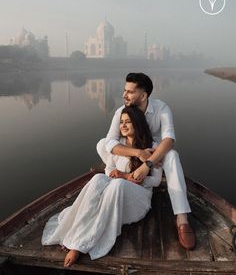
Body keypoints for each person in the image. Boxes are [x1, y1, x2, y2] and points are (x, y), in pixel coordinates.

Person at [41, 106, 163, 267]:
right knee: (98, 178)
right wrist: (118, 174)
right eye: (121, 122)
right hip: (115, 193)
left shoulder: (153, 146)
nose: (123, 126)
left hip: (138, 199)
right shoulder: (119, 145)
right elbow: (109, 169)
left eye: (128, 122)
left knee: (118, 185)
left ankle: (81, 245)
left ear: (138, 124)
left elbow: (155, 181)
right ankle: (76, 232)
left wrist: (126, 177)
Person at [97, 72, 195, 250]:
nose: (124, 95)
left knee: (172, 155)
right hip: (136, 152)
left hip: (157, 156)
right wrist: (138, 153)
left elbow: (169, 139)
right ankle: (115, 174)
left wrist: (148, 163)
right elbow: (111, 141)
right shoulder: (121, 111)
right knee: (102, 144)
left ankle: (182, 219)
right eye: (124, 90)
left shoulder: (161, 109)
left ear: (143, 95)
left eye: (129, 92)